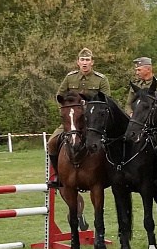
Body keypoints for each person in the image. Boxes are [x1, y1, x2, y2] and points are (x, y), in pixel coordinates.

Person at [47, 48, 111, 194]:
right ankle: (58, 175)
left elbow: (107, 100)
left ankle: (110, 173)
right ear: (78, 62)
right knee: (51, 142)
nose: (85, 63)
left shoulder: (101, 80)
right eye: (82, 60)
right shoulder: (70, 78)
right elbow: (60, 95)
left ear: (92, 62)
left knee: (109, 143)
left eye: (87, 60)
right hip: (72, 120)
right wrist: (65, 112)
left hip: (93, 122)